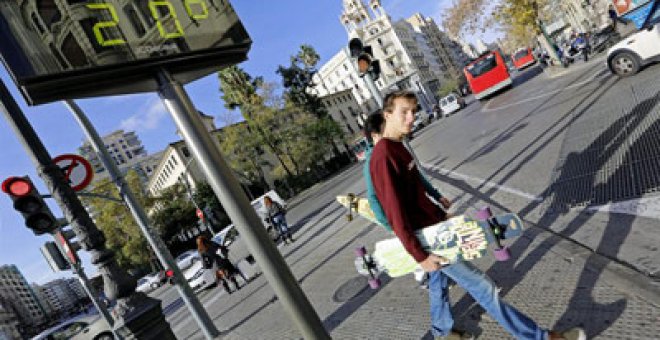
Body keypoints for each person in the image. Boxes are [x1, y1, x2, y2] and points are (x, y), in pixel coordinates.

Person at [369, 90, 586, 340]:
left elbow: (416, 197)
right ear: (387, 115)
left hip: (436, 231)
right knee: (484, 288)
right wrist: (421, 256)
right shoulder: (383, 155)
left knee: (439, 283)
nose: (411, 118)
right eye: (404, 112)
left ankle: (442, 332)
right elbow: (395, 214)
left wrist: (442, 215)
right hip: (431, 243)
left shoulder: (399, 147)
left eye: (414, 111)